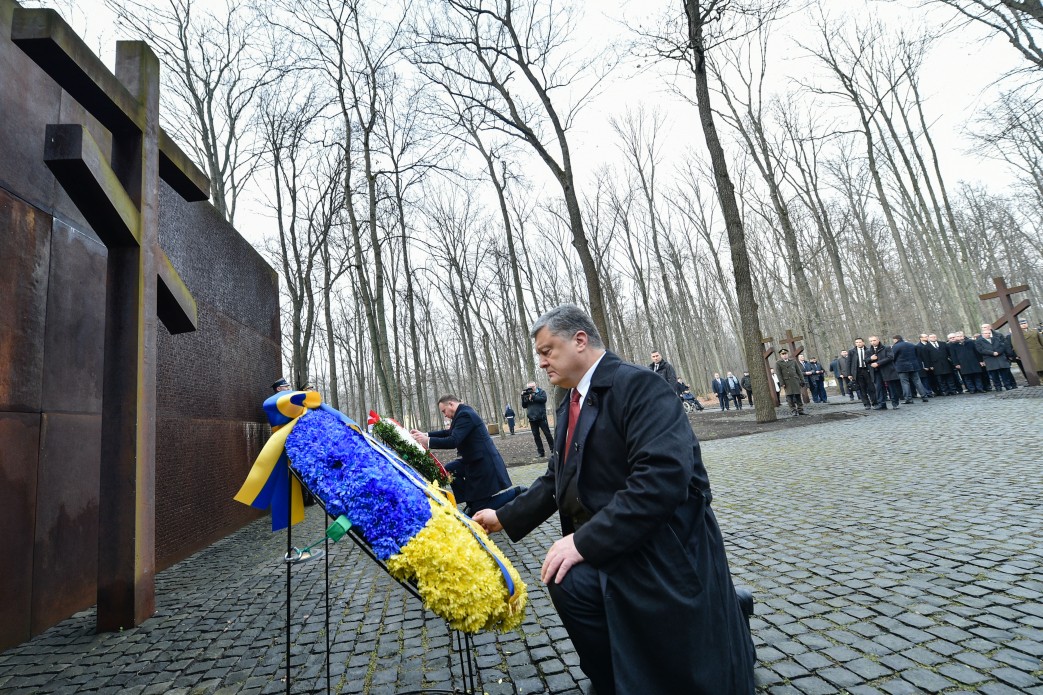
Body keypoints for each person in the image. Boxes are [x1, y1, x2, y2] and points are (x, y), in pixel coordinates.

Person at [472, 304, 755, 695]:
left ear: (580, 340)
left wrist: (583, 542)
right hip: (619, 537)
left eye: (547, 351)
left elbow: (660, 481)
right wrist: (504, 516)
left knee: (571, 580)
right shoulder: (569, 399)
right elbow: (560, 475)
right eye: (539, 354)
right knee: (566, 580)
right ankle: (613, 678)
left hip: (664, 543)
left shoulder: (640, 386)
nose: (541, 363)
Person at [411, 396, 515, 515]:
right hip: (472, 460)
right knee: (449, 470)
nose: (444, 415)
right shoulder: (461, 414)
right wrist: (425, 434)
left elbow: (453, 441)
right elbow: (448, 433)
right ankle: (470, 501)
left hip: (483, 464)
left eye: (444, 411)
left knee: (480, 509)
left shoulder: (465, 415)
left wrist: (427, 441)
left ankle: (517, 493)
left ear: (451, 404)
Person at [890, 335, 930, 404]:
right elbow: (916, 354)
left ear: (896, 339)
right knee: (917, 381)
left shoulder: (896, 346)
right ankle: (924, 396)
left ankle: (908, 399)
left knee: (905, 382)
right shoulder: (911, 344)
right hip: (914, 366)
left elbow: (893, 357)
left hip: (902, 367)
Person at [867, 335, 901, 410]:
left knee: (891, 387)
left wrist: (878, 363)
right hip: (876, 372)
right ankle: (881, 404)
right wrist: (870, 358)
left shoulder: (886, 348)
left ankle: (895, 403)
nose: (873, 342)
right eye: (871, 341)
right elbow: (866, 360)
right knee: (879, 388)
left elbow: (890, 357)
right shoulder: (869, 350)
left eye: (874, 340)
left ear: (878, 340)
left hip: (887, 370)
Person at [522, 382, 554, 457]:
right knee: (536, 436)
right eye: (529, 387)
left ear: (535, 386)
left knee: (547, 434)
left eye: (532, 386)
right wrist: (523, 397)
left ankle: (553, 449)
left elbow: (543, 399)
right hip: (532, 418)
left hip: (541, 417)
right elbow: (524, 406)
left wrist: (533, 397)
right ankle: (541, 452)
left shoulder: (541, 392)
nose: (531, 388)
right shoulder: (526, 394)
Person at [975, 327, 1012, 391]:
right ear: (982, 334)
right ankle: (998, 387)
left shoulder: (996, 339)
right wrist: (992, 353)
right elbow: (981, 350)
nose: (988, 334)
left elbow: (1002, 346)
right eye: (986, 333)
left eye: (989, 333)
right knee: (994, 375)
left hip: (1000, 358)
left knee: (1004, 374)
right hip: (990, 359)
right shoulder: (978, 341)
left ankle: (1007, 385)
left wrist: (998, 352)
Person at [845, 338, 876, 409]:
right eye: (857, 342)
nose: (858, 343)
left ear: (863, 342)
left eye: (860, 342)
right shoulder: (852, 351)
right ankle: (866, 404)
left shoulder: (869, 350)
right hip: (857, 371)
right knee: (862, 388)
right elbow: (848, 363)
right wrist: (849, 374)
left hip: (867, 370)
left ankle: (875, 402)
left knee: (871, 388)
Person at [775, 349, 806, 416]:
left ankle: (800, 409)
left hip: (795, 381)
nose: (785, 355)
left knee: (798, 395)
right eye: (783, 354)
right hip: (786, 382)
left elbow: (799, 372)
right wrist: (782, 383)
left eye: (785, 354)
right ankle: (793, 410)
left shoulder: (793, 361)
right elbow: (779, 374)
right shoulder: (778, 363)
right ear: (780, 355)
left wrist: (802, 380)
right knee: (790, 396)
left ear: (787, 354)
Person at [1015, 317, 1043, 382]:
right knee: (1035, 368)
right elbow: (1016, 345)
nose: (1024, 325)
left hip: (1039, 351)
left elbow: (1041, 340)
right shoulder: (1017, 333)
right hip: (1029, 353)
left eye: (1025, 323)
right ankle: (1039, 380)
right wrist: (1019, 354)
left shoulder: (1034, 331)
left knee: (1041, 366)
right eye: (1022, 324)